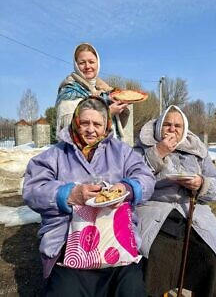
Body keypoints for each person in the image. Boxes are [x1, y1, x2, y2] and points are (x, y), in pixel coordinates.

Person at [22, 97, 155, 297]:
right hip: (69, 243)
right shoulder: (55, 155)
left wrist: (126, 188)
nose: (90, 129)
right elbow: (33, 189)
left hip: (116, 241)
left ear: (106, 126)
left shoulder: (123, 152)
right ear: (76, 122)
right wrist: (69, 194)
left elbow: (146, 177)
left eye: (97, 124)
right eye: (85, 123)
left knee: (132, 290)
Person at [136, 105, 216, 297]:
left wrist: (201, 183)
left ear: (184, 130)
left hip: (192, 209)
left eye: (177, 125)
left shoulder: (197, 149)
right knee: (156, 254)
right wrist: (158, 152)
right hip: (156, 208)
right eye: (167, 124)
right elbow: (132, 179)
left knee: (212, 255)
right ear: (159, 127)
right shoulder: (144, 146)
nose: (172, 129)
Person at [55, 42, 129, 141]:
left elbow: (117, 126)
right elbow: (71, 130)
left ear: (97, 63)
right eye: (82, 63)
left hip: (110, 149)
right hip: (83, 153)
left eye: (91, 62)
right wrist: (108, 112)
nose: (87, 66)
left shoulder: (104, 91)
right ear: (76, 65)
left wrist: (120, 106)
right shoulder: (69, 91)